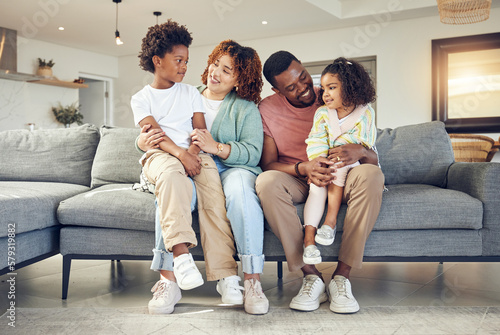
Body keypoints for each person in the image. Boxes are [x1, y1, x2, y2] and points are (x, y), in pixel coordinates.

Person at [138, 40, 269, 315]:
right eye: (215, 64)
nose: (215, 73)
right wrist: (141, 141)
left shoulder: (246, 108)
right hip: (187, 166)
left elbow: (254, 152)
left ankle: (252, 280)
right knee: (174, 191)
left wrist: (217, 148)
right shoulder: (183, 93)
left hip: (231, 168)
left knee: (240, 194)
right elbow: (154, 132)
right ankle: (168, 279)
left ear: (238, 80)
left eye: (227, 70)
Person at [255, 51, 385, 314]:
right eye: (291, 88)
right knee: (266, 181)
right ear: (277, 91)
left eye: (303, 77)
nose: (304, 89)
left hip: (344, 174)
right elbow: (268, 164)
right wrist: (304, 167)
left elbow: (369, 149)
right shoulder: (267, 110)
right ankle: (310, 276)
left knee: (372, 175)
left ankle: (342, 277)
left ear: (304, 68)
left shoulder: (334, 94)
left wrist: (360, 152)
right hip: (299, 177)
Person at [131, 21, 236, 314]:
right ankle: (179, 258)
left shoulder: (190, 92)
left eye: (186, 61)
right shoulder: (141, 99)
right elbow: (154, 135)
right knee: (173, 179)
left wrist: (192, 153)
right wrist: (182, 155)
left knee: (214, 197)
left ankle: (225, 275)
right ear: (157, 60)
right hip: (161, 156)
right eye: (178, 60)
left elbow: (199, 129)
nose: (184, 66)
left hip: (195, 153)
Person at [302, 58, 378, 266]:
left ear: (351, 86)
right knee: (316, 187)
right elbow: (316, 138)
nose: (325, 93)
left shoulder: (365, 113)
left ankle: (330, 221)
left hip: (351, 164)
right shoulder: (322, 114)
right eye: (323, 88)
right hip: (326, 161)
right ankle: (309, 243)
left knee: (342, 167)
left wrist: (340, 157)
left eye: (332, 87)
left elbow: (365, 141)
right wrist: (319, 161)